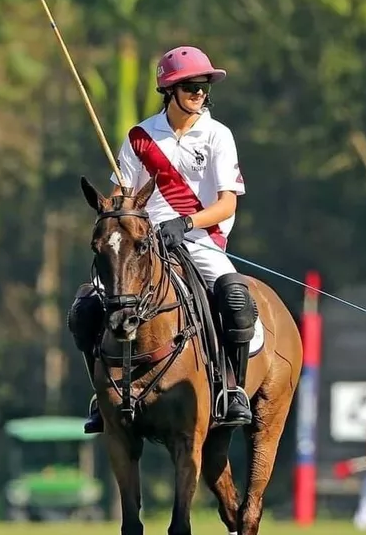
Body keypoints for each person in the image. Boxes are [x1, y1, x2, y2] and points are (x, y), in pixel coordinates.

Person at [67, 45, 255, 433]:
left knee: (235, 298)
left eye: (204, 86)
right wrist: (116, 210)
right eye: (190, 87)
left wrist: (186, 224)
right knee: (86, 307)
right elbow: (126, 195)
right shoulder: (140, 137)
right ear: (170, 91)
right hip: (144, 245)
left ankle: (231, 388)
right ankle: (101, 394)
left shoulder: (218, 136)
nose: (199, 94)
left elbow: (227, 205)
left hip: (202, 239)